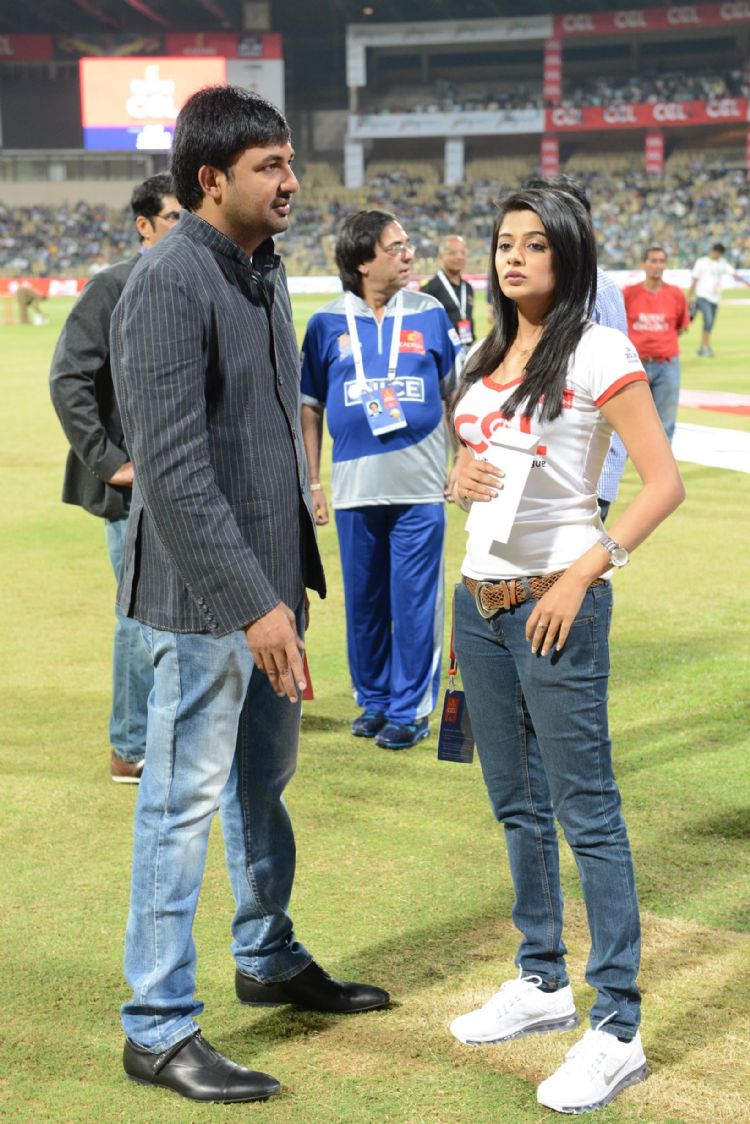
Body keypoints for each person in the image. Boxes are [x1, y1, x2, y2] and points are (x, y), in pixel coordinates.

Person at [110, 87, 388, 1106]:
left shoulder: (260, 271)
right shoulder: (168, 279)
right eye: (269, 165)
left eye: (288, 161)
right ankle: (156, 1024)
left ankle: (266, 955)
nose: (291, 181)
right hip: (203, 603)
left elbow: (264, 440)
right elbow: (175, 470)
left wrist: (287, 589)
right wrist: (253, 603)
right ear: (210, 179)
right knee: (180, 805)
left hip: (270, 588)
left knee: (259, 784)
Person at [448, 187, 684, 1114]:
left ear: (570, 254)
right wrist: (457, 476)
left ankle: (617, 1024)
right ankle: (541, 980)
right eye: (505, 242)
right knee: (515, 803)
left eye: (535, 244)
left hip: (557, 602)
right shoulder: (485, 353)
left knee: (587, 809)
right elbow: (480, 461)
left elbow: (660, 484)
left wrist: (583, 575)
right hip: (478, 601)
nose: (513, 257)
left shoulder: (598, 350)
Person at [300, 210, 461, 750]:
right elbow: (309, 407)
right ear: (363, 261)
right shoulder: (326, 324)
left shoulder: (430, 313)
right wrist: (313, 483)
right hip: (354, 489)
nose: (409, 254)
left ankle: (410, 709)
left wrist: (462, 458)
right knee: (364, 605)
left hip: (420, 488)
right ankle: (373, 700)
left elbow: (456, 394)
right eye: (395, 247)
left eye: (408, 243)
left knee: (414, 604)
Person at [49, 173, 181, 783]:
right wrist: (108, 461)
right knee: (139, 614)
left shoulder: (191, 283)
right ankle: (130, 747)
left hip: (186, 480)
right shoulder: (112, 286)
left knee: (181, 615)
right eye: (174, 217)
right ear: (144, 226)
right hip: (134, 491)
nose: (185, 227)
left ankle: (171, 729)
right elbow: (68, 378)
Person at [522, 174, 628, 521]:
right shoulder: (531, 289)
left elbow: (619, 392)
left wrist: (604, 480)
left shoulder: (600, 290)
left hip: (579, 474)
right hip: (529, 460)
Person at [623, 246, 689, 443]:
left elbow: (680, 327)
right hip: (634, 365)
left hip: (666, 364)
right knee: (626, 424)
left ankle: (662, 465)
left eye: (661, 261)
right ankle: (619, 464)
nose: (658, 265)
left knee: (665, 424)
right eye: (653, 261)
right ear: (643, 264)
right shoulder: (629, 294)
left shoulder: (676, 294)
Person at [688, 241, 750, 356]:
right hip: (703, 295)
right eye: (718, 253)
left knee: (710, 323)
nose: (718, 255)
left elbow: (734, 274)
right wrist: (689, 296)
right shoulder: (701, 262)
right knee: (708, 320)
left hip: (715, 298)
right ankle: (704, 347)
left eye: (720, 254)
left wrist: (747, 283)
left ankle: (704, 347)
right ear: (713, 251)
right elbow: (695, 280)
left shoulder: (723, 263)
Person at [421, 234, 475, 348]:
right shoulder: (430, 288)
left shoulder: (468, 288)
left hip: (468, 348)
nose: (459, 257)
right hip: (445, 351)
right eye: (453, 253)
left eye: (463, 253)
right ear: (441, 256)